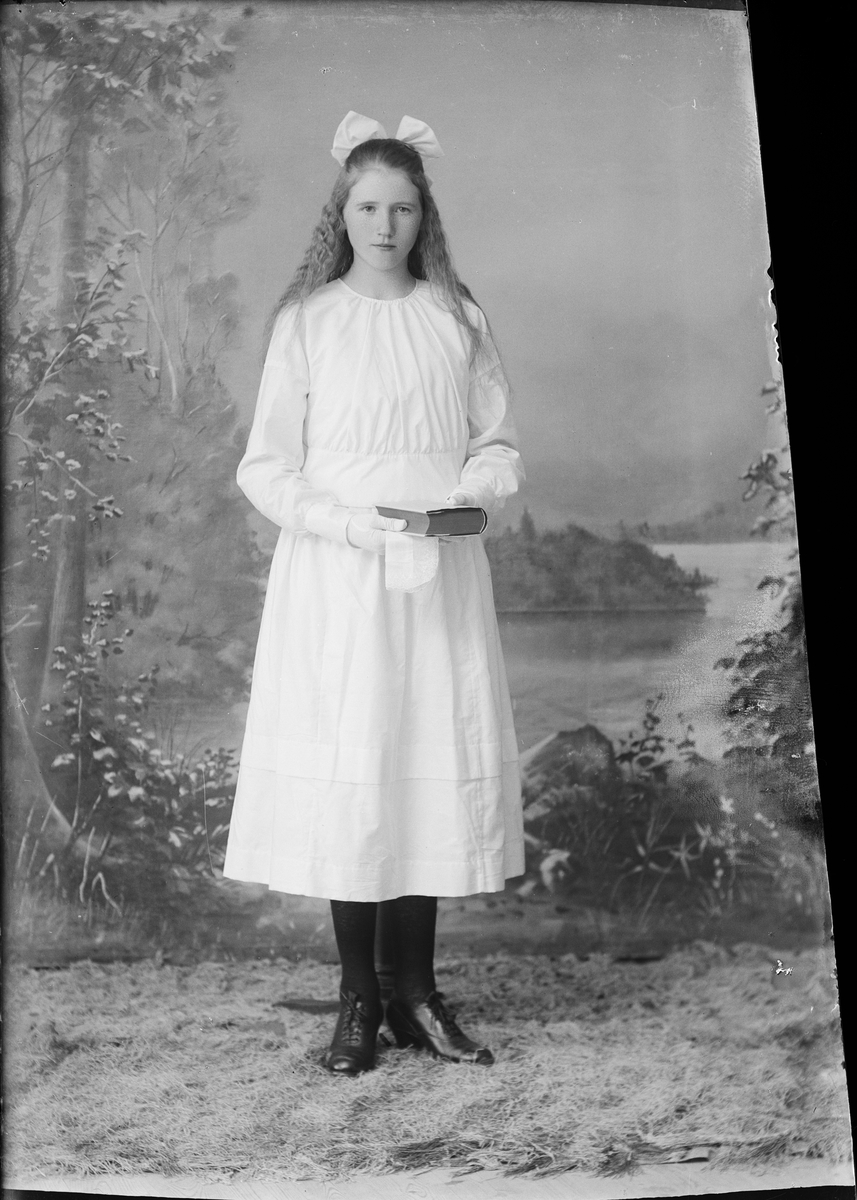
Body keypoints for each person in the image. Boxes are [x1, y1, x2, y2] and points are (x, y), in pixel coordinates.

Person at [223, 111, 525, 1076]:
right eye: (367, 207)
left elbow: (495, 445)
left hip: (435, 576)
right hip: (339, 580)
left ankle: (416, 994)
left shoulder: (456, 318)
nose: (384, 225)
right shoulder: (308, 322)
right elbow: (267, 468)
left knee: (420, 769)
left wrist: (470, 500)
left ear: (422, 214)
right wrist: (346, 524)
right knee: (358, 777)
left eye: (401, 207)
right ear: (341, 214)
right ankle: (359, 997)